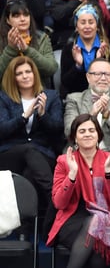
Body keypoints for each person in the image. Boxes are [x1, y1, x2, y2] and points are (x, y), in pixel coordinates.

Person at [46, 114, 110, 268]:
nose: (87, 134)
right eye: (82, 131)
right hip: (73, 218)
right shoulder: (64, 162)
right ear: (74, 137)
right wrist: (72, 175)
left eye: (92, 130)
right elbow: (59, 203)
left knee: (97, 224)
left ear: (98, 135)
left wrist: (108, 172)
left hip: (108, 216)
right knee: (95, 236)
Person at [0, 56, 63, 204]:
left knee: (30, 175)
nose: (25, 76)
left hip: (43, 155)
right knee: (28, 149)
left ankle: (29, 225)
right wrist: (23, 117)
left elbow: (58, 130)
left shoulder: (51, 96)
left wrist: (43, 115)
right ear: (13, 78)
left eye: (28, 71)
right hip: (10, 155)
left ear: (34, 73)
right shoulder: (4, 98)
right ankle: (54, 196)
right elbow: (2, 130)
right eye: (19, 73)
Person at [64, 58, 110, 185]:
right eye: (98, 74)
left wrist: (108, 115)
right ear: (88, 77)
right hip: (81, 154)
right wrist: (91, 115)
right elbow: (69, 131)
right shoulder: (74, 99)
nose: (103, 78)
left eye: (107, 74)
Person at [0, 0, 58, 88]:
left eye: (26, 15)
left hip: (37, 92)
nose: (23, 19)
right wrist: (10, 49)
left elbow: (51, 68)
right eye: (16, 16)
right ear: (7, 20)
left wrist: (27, 50)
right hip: (8, 95)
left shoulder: (41, 38)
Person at [60, 2, 110, 100]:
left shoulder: (106, 47)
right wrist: (78, 66)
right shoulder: (69, 48)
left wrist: (99, 62)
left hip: (102, 97)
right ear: (76, 27)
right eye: (83, 23)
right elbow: (65, 82)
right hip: (76, 97)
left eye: (91, 22)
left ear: (97, 26)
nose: (87, 26)